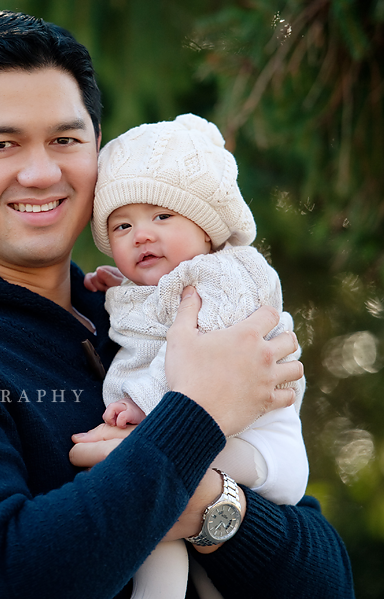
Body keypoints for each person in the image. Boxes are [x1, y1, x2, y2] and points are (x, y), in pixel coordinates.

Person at [0, 10, 354, 599]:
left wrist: (208, 508)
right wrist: (195, 417)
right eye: (2, 143)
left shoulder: (151, 314)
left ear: (98, 148)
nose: (42, 172)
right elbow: (0, 580)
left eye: (65, 140)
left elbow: (328, 581)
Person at [85, 114, 309, 598]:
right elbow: (151, 327)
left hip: (263, 447)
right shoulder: (156, 286)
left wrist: (144, 407)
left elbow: (203, 360)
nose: (141, 234)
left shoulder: (226, 276)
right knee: (163, 510)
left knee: (157, 485)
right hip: (201, 444)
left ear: (207, 230)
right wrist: (117, 285)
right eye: (122, 225)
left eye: (162, 216)